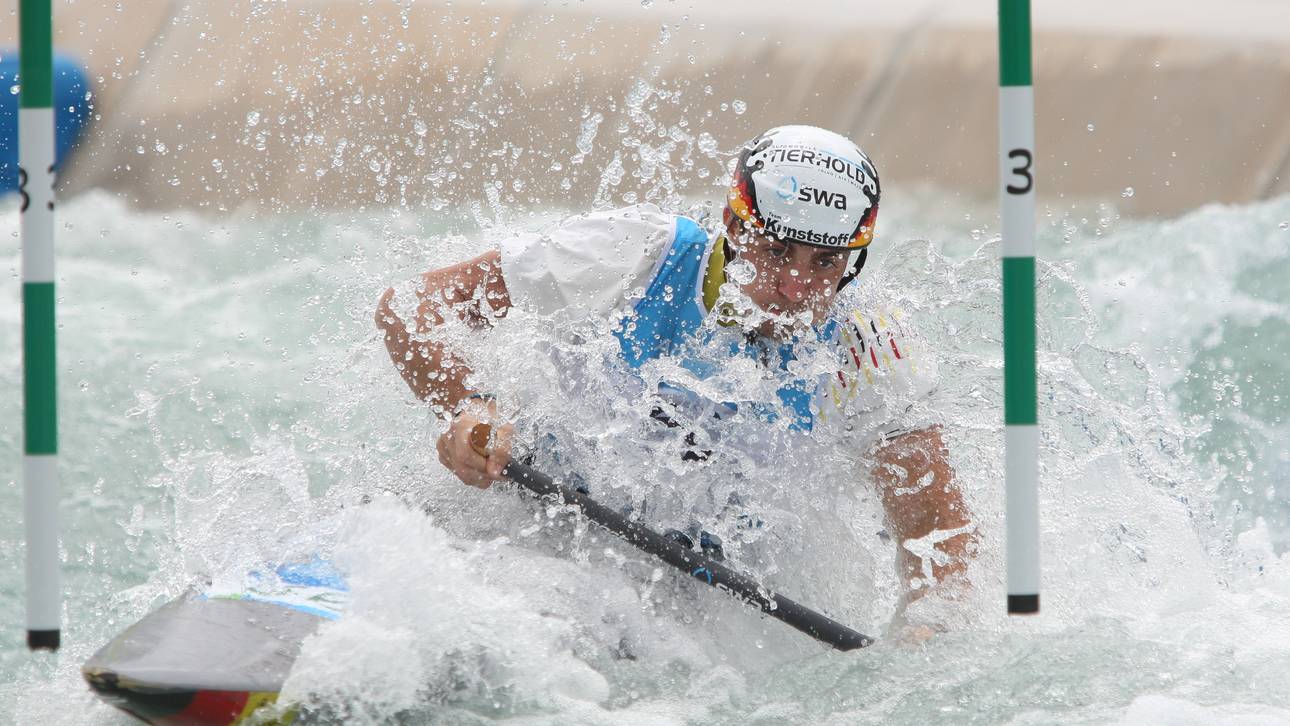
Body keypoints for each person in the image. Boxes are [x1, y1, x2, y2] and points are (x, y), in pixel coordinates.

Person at [376, 125, 975, 615]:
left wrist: (925, 634)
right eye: (776, 251)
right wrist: (466, 404)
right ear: (734, 227)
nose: (796, 288)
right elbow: (411, 306)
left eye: (825, 263)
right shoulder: (632, 252)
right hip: (523, 521)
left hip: (694, 612)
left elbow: (940, 548)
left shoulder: (871, 347)